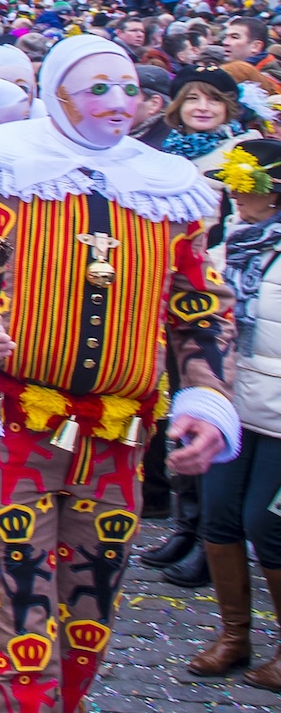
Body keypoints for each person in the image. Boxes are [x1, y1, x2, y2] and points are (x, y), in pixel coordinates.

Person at [0, 34, 238, 713]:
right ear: (56, 95)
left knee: (89, 618)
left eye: (129, 88)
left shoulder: (169, 189)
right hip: (6, 427)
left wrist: (205, 394)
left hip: (117, 439)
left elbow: (199, 305)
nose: (119, 102)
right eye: (98, 88)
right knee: (11, 612)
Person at [187, 137, 281, 687]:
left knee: (266, 526)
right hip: (234, 406)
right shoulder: (230, 245)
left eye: (245, 187)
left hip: (279, 415)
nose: (234, 196)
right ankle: (234, 636)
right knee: (218, 516)